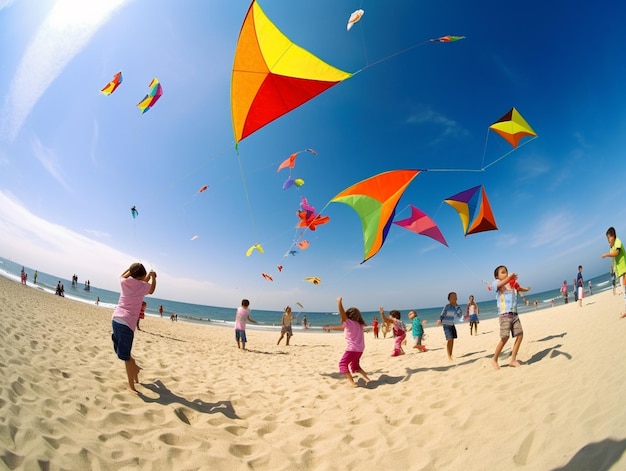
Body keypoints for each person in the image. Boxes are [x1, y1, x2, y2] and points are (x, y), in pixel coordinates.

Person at [111, 262, 157, 392]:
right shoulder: (142, 286)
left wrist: (132, 269)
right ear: (141, 277)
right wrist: (153, 277)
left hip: (116, 319)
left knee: (125, 353)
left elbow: (124, 275)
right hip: (127, 324)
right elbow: (152, 290)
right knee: (126, 357)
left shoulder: (124, 282)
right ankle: (132, 385)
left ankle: (135, 370)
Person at [323, 297, 370, 387]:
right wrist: (330, 328)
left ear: (348, 315)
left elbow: (342, 313)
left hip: (352, 349)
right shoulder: (359, 324)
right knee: (355, 366)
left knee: (343, 364)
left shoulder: (349, 323)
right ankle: (367, 379)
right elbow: (343, 329)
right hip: (360, 350)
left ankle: (352, 383)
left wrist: (339, 302)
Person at [491, 265, 530, 370]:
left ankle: (513, 359)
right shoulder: (496, 283)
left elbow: (518, 288)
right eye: (503, 272)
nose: (506, 274)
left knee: (520, 335)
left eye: (506, 272)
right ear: (496, 276)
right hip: (504, 315)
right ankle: (494, 359)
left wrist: (526, 289)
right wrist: (510, 277)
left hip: (514, 313)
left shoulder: (511, 283)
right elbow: (500, 284)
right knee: (505, 337)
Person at [601, 227, 626, 317]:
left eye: (609, 237)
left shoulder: (617, 242)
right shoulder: (612, 247)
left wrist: (607, 254)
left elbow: (617, 253)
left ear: (614, 236)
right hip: (619, 272)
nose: (608, 240)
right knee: (624, 291)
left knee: (625, 289)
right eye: (607, 238)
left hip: (625, 270)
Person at [437, 292, 462, 361]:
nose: (454, 298)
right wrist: (439, 320)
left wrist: (457, 307)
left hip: (452, 324)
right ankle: (449, 356)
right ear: (449, 299)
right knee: (449, 339)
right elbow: (442, 314)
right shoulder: (447, 306)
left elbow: (459, 315)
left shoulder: (457, 307)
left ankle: (450, 354)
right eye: (452, 297)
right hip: (446, 324)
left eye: (455, 297)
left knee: (452, 339)